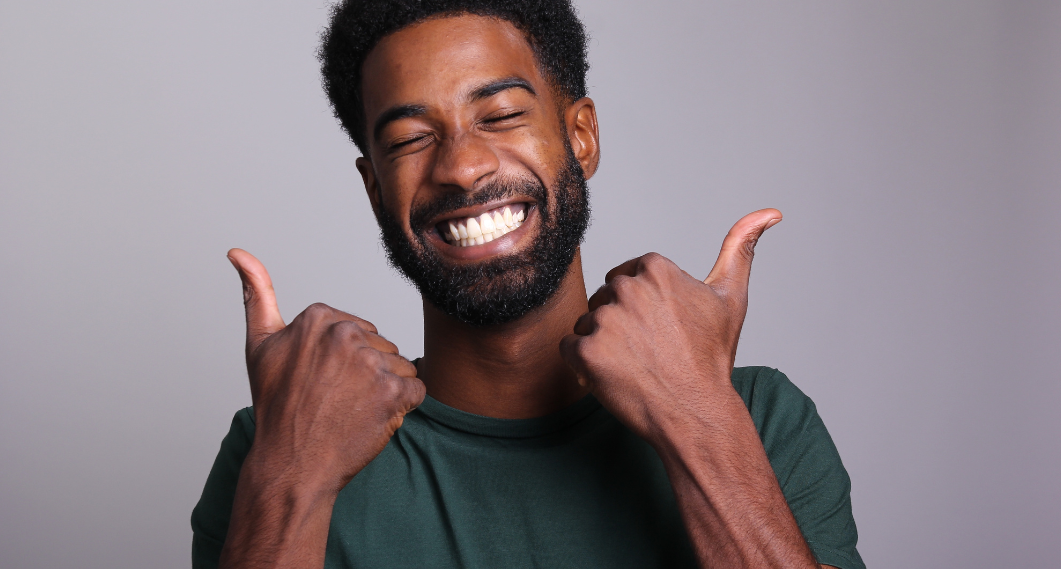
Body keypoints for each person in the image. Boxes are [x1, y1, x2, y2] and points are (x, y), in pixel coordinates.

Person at [191, 1, 864, 568]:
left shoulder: (756, 418)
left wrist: (697, 420)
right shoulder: (282, 444)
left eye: (500, 115)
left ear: (581, 137)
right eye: (410, 139)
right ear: (374, 191)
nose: (461, 167)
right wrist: (291, 478)